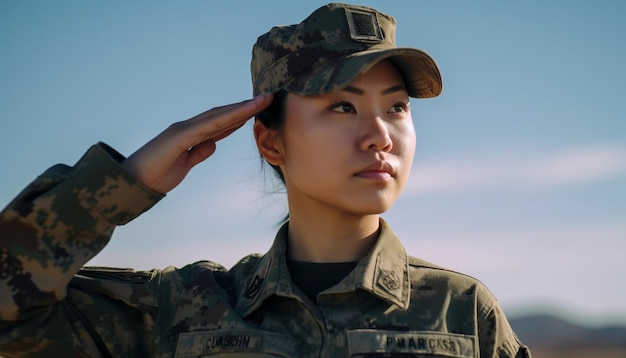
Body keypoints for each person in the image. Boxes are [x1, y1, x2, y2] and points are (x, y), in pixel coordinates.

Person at [0, 3, 531, 357]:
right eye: (342, 106)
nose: (380, 136)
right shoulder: (184, 307)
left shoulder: (460, 312)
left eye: (396, 107)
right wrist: (125, 182)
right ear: (270, 141)